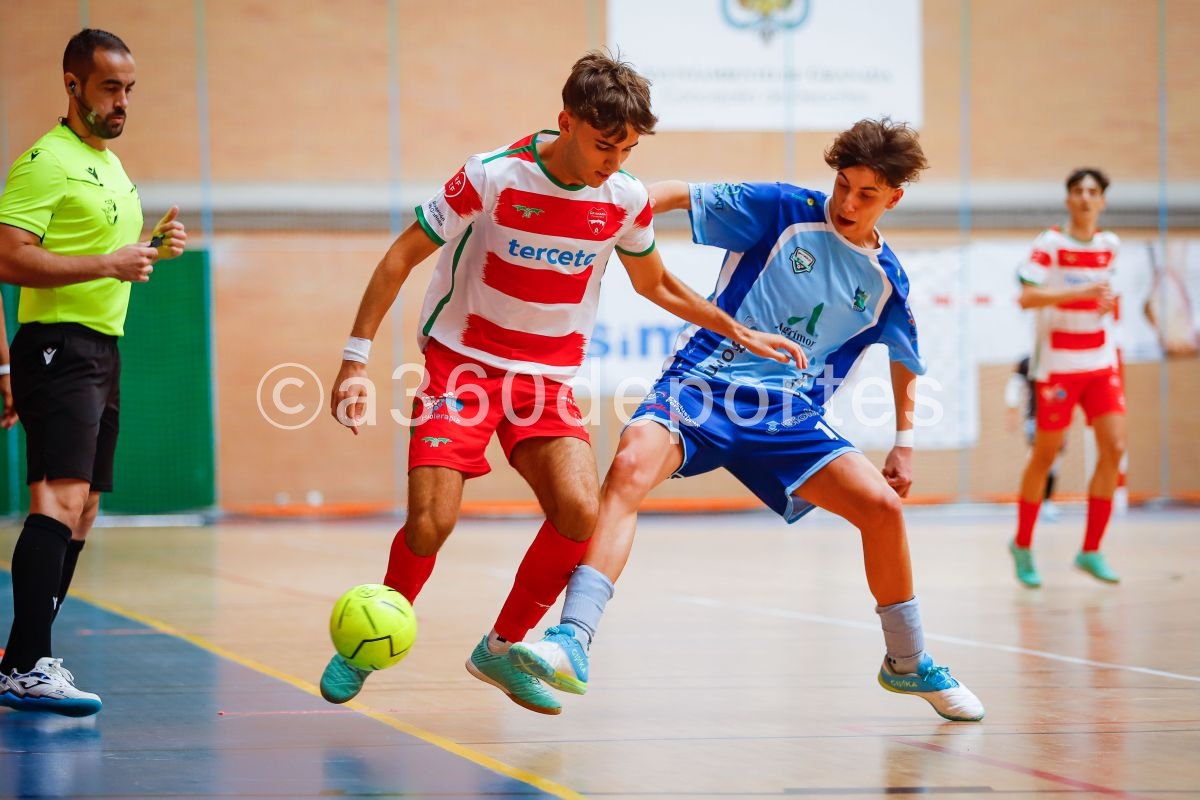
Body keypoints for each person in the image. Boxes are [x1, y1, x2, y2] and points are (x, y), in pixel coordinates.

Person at [321, 50, 802, 715]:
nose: (615, 160)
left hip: (546, 377)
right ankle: (362, 647)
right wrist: (353, 360)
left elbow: (655, 282)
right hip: (461, 361)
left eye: (627, 148)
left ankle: (501, 648)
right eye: (605, 144)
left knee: (579, 512)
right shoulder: (491, 176)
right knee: (431, 524)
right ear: (566, 122)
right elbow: (401, 255)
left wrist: (738, 329)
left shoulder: (626, 198)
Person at [509, 118, 985, 722]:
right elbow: (681, 192)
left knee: (883, 510)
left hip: (788, 417)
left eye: (866, 194)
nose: (847, 202)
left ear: (894, 197)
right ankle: (572, 639)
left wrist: (905, 443)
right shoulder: (787, 209)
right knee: (629, 464)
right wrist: (600, 211)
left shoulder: (888, 279)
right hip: (701, 385)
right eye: (843, 185)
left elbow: (905, 359)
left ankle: (908, 662)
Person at [0, 28, 188, 717]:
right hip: (56, 344)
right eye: (111, 87)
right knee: (58, 497)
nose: (123, 102)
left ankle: (30, 652)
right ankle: (22, 666)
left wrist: (149, 251)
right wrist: (110, 264)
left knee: (85, 509)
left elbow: (102, 252)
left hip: (103, 346)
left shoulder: (108, 164)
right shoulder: (44, 162)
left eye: (130, 89)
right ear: (73, 85)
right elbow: (8, 257)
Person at [1007, 168, 1124, 588]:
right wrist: (1080, 293)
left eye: (1094, 192)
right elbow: (1026, 296)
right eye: (1078, 191)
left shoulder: (1111, 246)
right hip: (1057, 365)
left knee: (1115, 447)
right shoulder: (1051, 244)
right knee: (1046, 455)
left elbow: (1105, 298)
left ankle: (1091, 550)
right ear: (1068, 200)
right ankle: (1022, 543)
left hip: (1100, 362)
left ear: (1103, 202)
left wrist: (1105, 303)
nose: (1086, 198)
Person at [1004, 354, 1064, 521]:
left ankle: (1047, 502)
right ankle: (1030, 503)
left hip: (1059, 419)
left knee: (1055, 461)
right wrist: (1012, 411)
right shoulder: (1027, 362)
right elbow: (1014, 386)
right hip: (1035, 420)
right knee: (1037, 459)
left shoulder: (1061, 359)